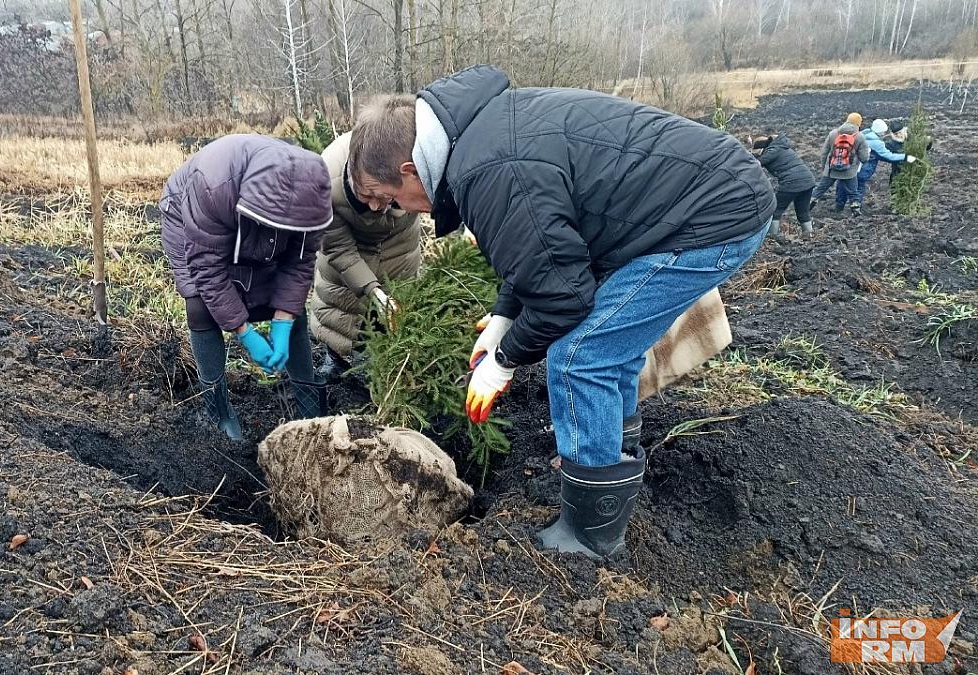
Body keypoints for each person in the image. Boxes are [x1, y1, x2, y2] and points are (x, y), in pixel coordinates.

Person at [347, 65, 774, 559]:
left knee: (579, 357)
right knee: (610, 345)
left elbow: (563, 300)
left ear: (408, 170)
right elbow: (544, 249)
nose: (402, 210)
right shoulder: (480, 133)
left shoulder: (487, 169)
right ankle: (607, 452)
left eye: (390, 199)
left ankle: (590, 532)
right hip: (699, 199)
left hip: (710, 217)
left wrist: (502, 362)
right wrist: (505, 316)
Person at [160, 134, 332, 441]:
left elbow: (299, 263)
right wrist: (245, 332)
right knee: (200, 304)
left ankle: (308, 407)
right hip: (191, 212)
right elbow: (208, 271)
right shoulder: (212, 186)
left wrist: (282, 321)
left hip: (250, 212)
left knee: (288, 303)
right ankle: (220, 414)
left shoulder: (312, 198)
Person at [309, 126, 422, 374]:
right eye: (365, 194)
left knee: (393, 315)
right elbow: (338, 248)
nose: (374, 205)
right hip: (347, 254)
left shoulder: (414, 160)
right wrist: (373, 290)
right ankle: (335, 357)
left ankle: (384, 367)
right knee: (339, 306)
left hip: (398, 249)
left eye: (383, 197)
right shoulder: (324, 178)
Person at [833, 118, 917, 208]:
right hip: (862, 170)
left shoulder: (863, 134)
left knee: (843, 184)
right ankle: (856, 208)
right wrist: (906, 157)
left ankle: (839, 205)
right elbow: (889, 156)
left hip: (847, 167)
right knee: (858, 187)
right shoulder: (877, 143)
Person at [751, 133, 816, 237]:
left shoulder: (771, 152)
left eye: (757, 152)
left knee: (775, 210)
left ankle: (772, 237)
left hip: (792, 182)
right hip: (808, 180)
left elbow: (755, 164)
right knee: (803, 212)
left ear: (762, 148)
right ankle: (809, 236)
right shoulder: (781, 147)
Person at [809, 112, 870, 216]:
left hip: (831, 169)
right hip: (849, 172)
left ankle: (806, 208)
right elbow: (864, 158)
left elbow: (824, 152)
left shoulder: (833, 133)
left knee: (820, 190)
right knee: (853, 193)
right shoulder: (860, 137)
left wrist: (825, 168)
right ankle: (856, 213)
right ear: (859, 123)